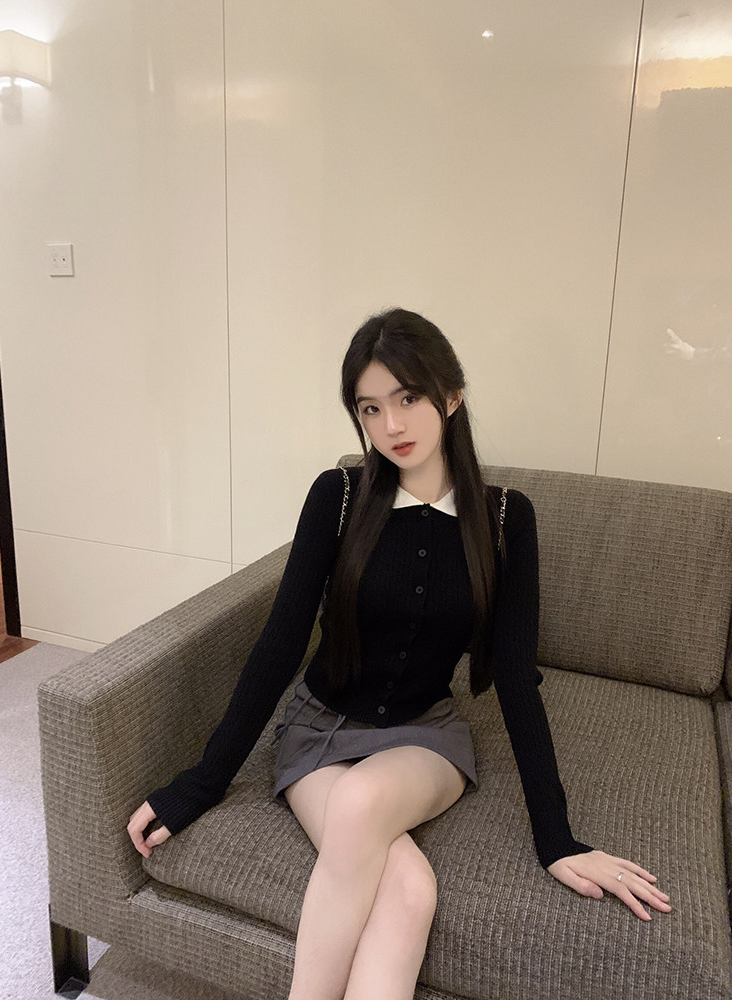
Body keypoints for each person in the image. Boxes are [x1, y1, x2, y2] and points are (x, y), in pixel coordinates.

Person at [127, 308, 671, 1000]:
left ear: (452, 396)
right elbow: (279, 646)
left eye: (409, 397)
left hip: (425, 737)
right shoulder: (338, 497)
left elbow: (514, 676)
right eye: (371, 407)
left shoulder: (507, 519)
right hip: (318, 731)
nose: (392, 425)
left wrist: (557, 838)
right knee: (410, 890)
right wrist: (201, 784)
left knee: (361, 805)